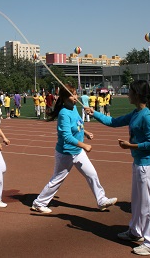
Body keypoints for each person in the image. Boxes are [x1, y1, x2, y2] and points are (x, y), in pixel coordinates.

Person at [88, 80, 150, 256]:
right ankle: (135, 231)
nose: (127, 94)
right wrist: (94, 113)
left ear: (137, 94)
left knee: (148, 204)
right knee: (137, 201)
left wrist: (131, 146)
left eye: (129, 92)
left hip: (148, 165)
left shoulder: (147, 116)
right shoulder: (136, 113)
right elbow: (113, 121)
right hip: (139, 164)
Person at [32, 84, 117, 214]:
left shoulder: (74, 108)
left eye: (75, 93)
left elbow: (78, 125)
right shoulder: (64, 114)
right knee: (57, 180)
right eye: (72, 95)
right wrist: (84, 145)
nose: (75, 97)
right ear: (65, 98)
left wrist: (86, 133)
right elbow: (66, 136)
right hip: (66, 153)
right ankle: (39, 203)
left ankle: (101, 200)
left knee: (92, 174)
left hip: (78, 152)